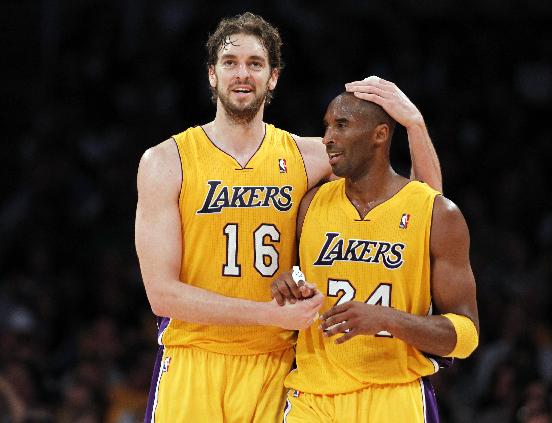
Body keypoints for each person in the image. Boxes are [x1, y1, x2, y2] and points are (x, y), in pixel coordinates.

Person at [135, 12, 442, 423]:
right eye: (230, 63)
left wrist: (414, 124)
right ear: (212, 75)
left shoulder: (307, 155)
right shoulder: (166, 161)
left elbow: (424, 209)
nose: (242, 74)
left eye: (255, 64)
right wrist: (268, 313)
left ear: (273, 76)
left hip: (276, 366)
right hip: (193, 358)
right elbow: (162, 294)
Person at [271, 92, 479, 422]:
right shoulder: (311, 204)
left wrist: (386, 319)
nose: (327, 138)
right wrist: (287, 285)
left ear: (379, 135)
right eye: (327, 127)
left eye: (341, 125)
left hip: (394, 395)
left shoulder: (437, 213)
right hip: (313, 395)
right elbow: (295, 285)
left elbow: (466, 337)